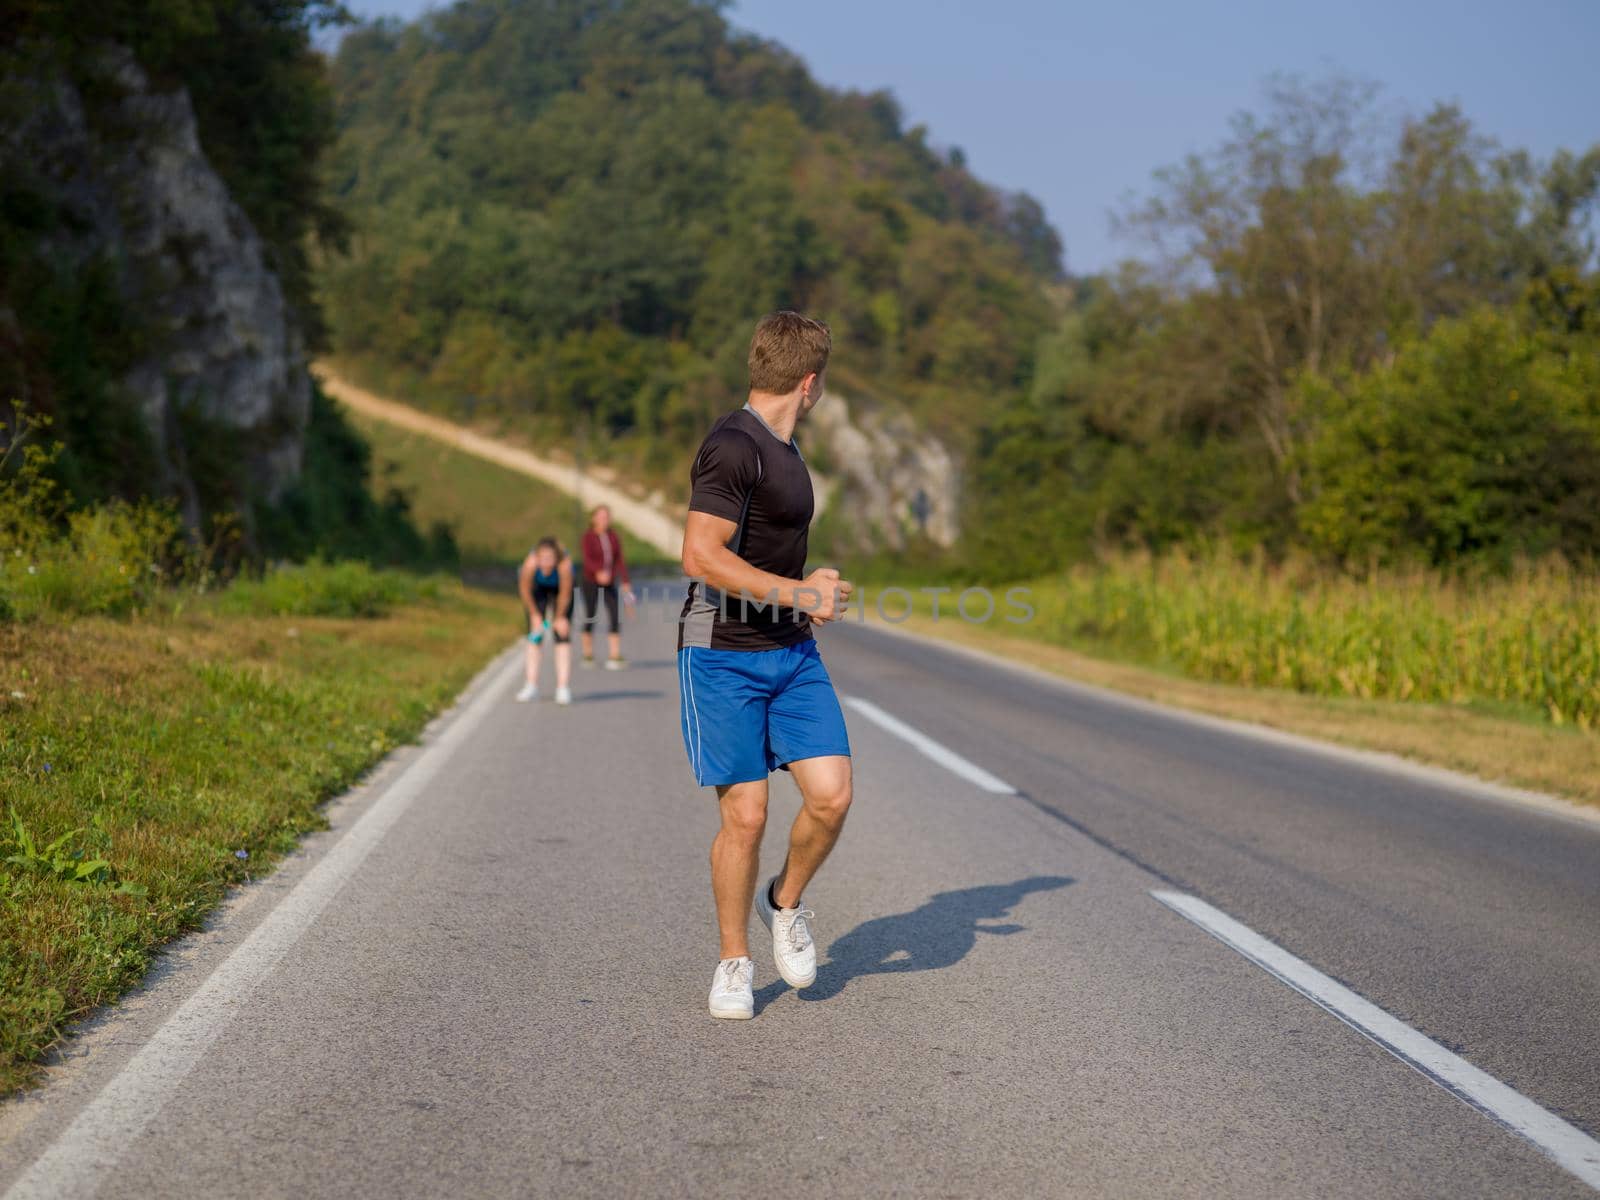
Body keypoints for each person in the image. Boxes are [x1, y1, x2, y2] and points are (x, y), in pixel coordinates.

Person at [677, 310, 854, 1021]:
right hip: (721, 654)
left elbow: (768, 551)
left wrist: (814, 584)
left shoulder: (788, 450)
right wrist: (798, 592)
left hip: (791, 651)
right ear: (809, 383)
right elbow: (701, 555)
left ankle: (783, 902)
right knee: (746, 816)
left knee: (832, 796)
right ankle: (732, 963)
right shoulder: (732, 445)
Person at [515, 537, 574, 706]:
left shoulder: (564, 566)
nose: (546, 564)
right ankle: (531, 685)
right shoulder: (530, 565)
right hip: (537, 590)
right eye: (543, 559)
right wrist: (535, 614)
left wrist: (560, 617)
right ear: (537, 558)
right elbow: (524, 590)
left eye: (550, 559)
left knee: (562, 636)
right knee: (535, 636)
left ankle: (563, 687)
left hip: (560, 591)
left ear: (556, 558)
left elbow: (565, 594)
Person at [579, 505, 634, 670]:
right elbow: (587, 559)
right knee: (590, 614)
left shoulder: (613, 536)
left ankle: (614, 655)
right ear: (593, 518)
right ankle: (588, 654)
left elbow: (619, 560)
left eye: (607, 517)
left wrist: (625, 581)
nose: (604, 520)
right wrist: (597, 572)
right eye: (601, 516)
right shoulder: (588, 537)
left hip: (610, 581)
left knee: (615, 614)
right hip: (590, 580)